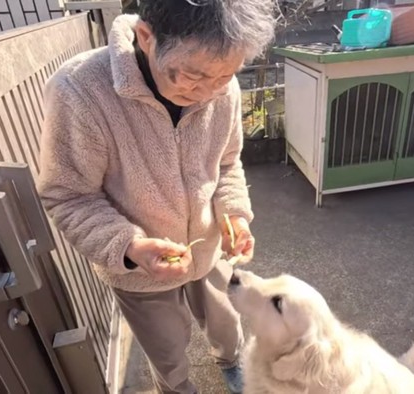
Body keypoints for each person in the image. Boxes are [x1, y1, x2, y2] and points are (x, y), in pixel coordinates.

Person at [37, 0, 276, 393]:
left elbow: (228, 163)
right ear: (147, 37)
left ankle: (231, 363)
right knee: (167, 352)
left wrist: (234, 215)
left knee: (228, 324)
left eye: (224, 76)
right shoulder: (79, 90)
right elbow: (68, 195)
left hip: (209, 249)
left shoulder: (221, 87)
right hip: (138, 269)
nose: (206, 93)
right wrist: (129, 246)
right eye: (191, 75)